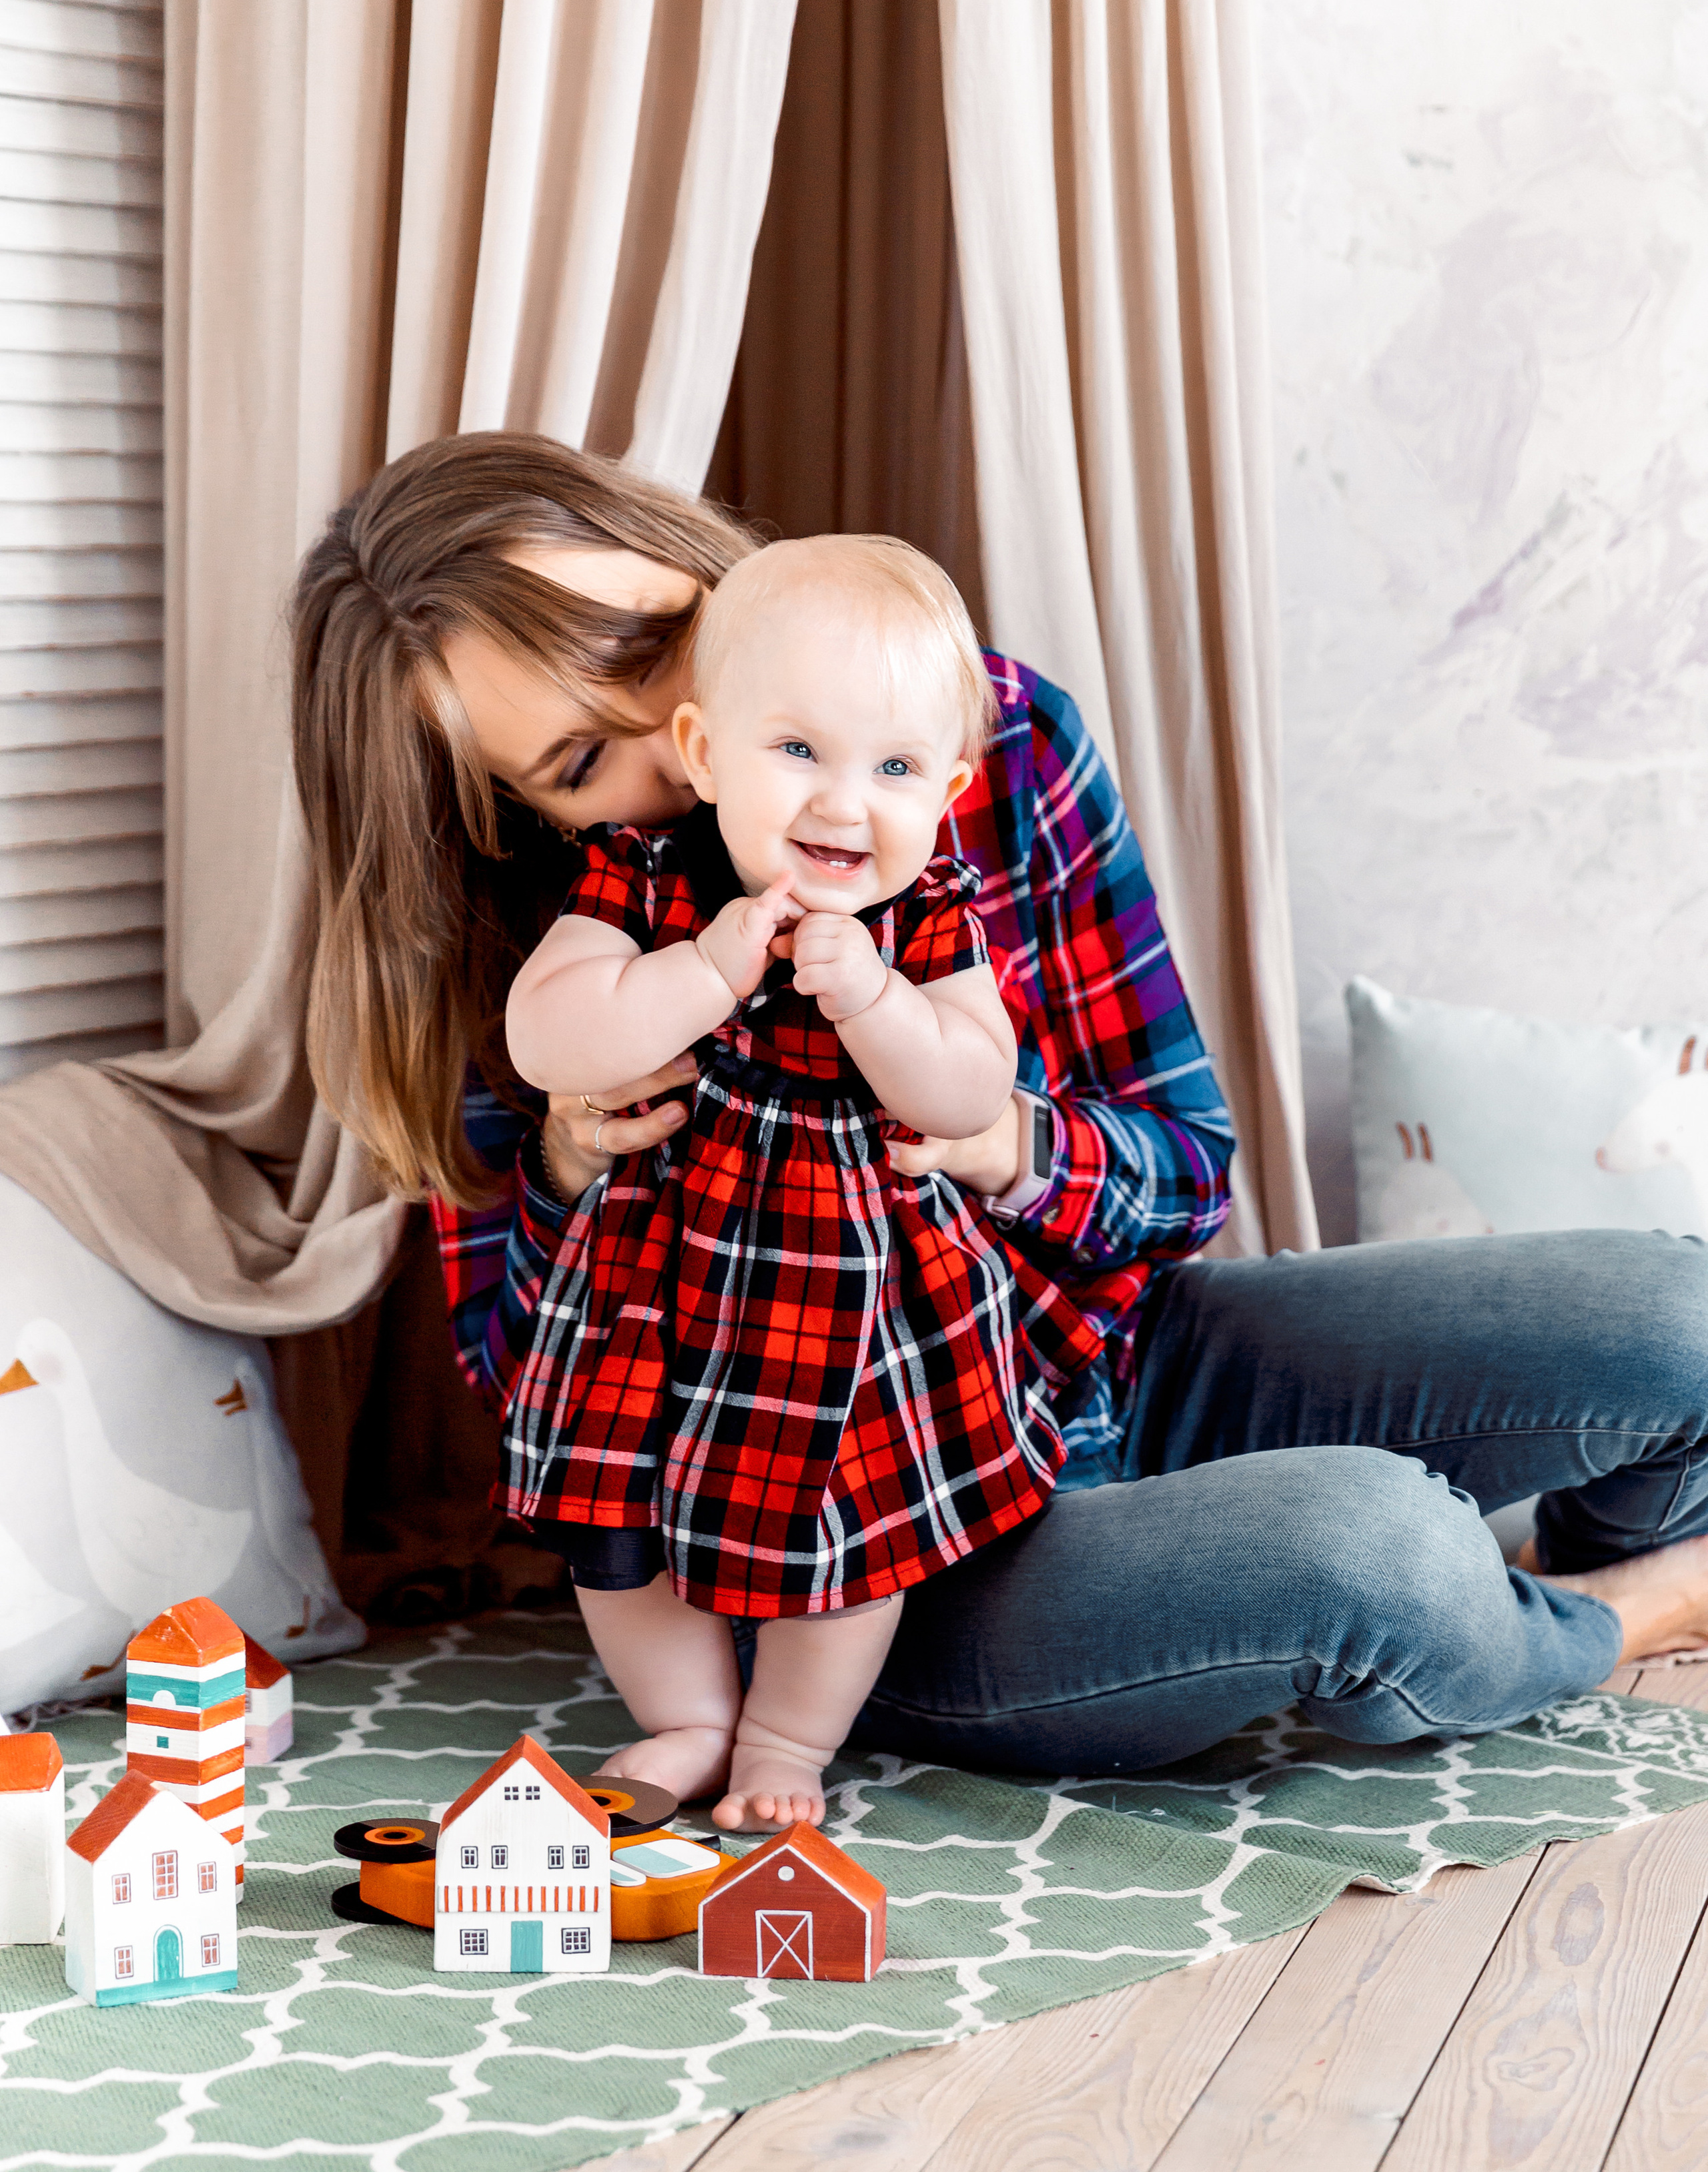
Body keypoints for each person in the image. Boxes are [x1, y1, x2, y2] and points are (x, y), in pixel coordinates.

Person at [290, 429, 1708, 1783]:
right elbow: (527, 1388)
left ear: (683, 560)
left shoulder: (982, 731)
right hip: (853, 1547)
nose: (675, 740)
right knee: (1373, 1552)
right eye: (580, 764)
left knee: (1680, 1323)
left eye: (652, 646)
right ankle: (1603, 1622)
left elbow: (1187, 1171)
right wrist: (568, 1161)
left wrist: (1003, 1143)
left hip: (1105, 1358)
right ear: (513, 812)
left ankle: (1531, 1578)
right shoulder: (561, 932)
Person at [502, 537, 1112, 1830]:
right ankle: (685, 1719)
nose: (843, 803)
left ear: (947, 789)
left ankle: (786, 1739)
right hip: (658, 1291)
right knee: (614, 1524)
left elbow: (967, 1090)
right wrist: (699, 973)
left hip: (850, 1303)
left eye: (894, 769)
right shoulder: (643, 878)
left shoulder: (926, 917)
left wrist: (879, 1003)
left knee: (852, 1538)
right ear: (703, 752)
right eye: (797, 751)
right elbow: (547, 1037)